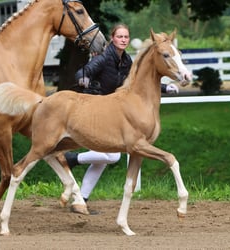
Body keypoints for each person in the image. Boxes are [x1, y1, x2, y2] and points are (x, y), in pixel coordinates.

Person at [59, 24, 179, 213]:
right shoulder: (104, 57)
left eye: (126, 37)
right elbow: (82, 72)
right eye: (119, 36)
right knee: (112, 155)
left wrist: (165, 88)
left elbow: (136, 83)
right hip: (96, 107)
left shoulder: (127, 60)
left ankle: (80, 199)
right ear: (112, 38)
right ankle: (72, 159)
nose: (123, 39)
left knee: (102, 160)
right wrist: (84, 78)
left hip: (114, 107)